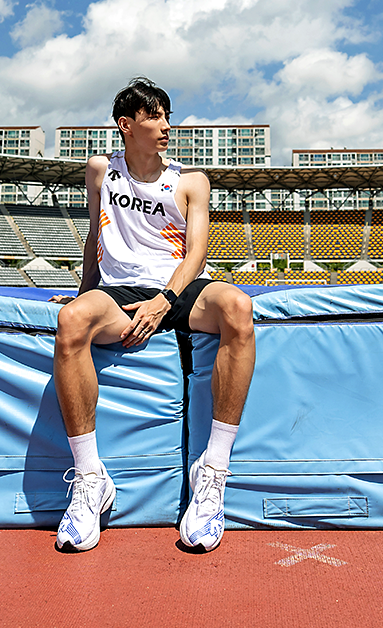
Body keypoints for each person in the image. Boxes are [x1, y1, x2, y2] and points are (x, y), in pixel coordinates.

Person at [49, 77, 256, 553]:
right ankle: (89, 480)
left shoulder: (190, 181)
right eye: (155, 116)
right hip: (119, 290)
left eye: (167, 115)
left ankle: (212, 473)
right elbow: (93, 238)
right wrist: (81, 295)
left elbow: (197, 254)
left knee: (238, 308)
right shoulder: (101, 170)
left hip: (177, 286)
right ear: (127, 125)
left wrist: (165, 298)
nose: (167, 125)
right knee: (70, 323)